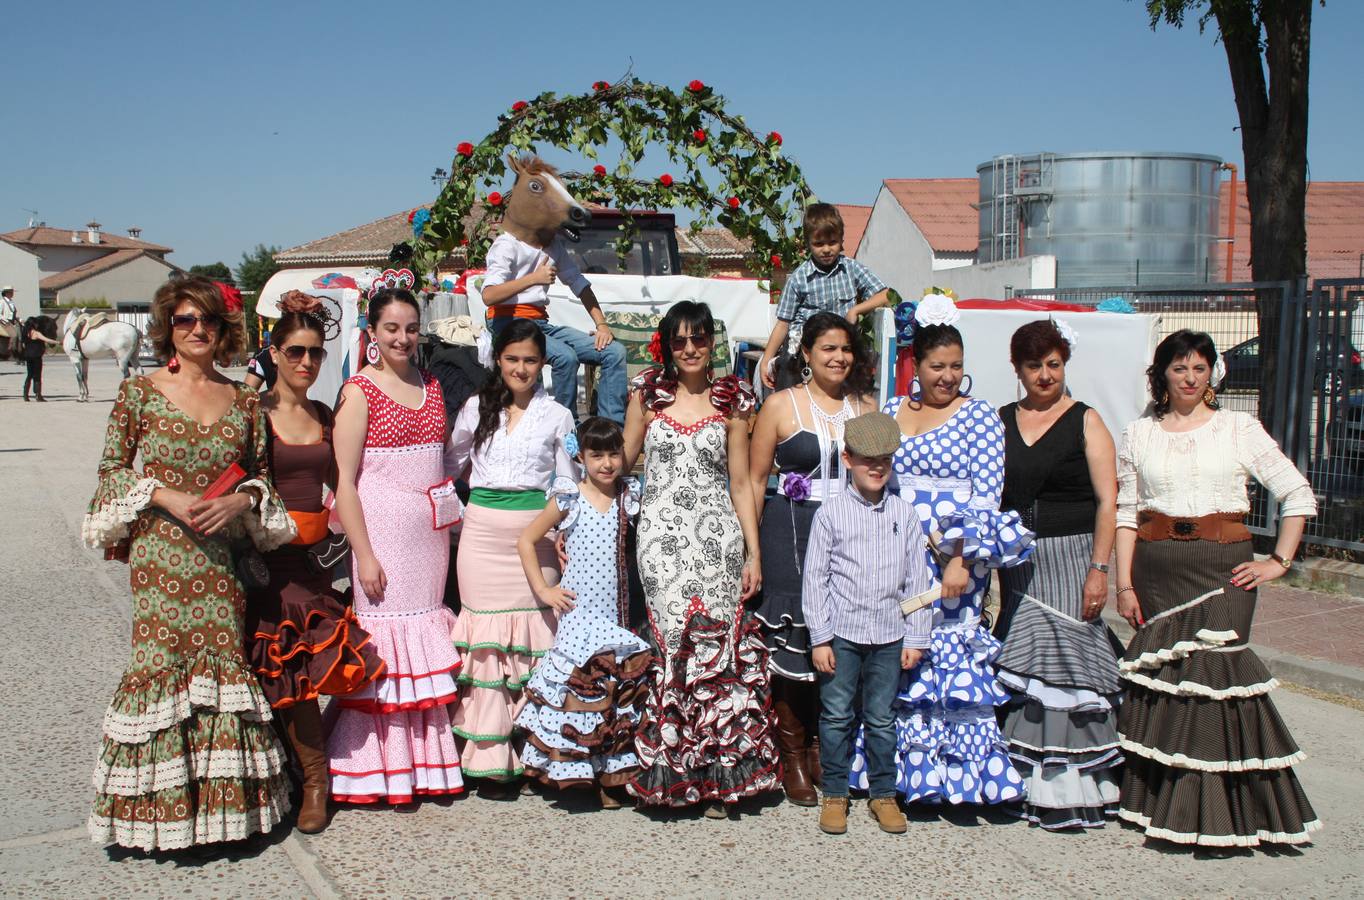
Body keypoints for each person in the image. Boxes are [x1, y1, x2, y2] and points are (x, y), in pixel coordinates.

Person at [82, 275, 296, 852]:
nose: (197, 330)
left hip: (219, 560)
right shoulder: (138, 396)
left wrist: (238, 499)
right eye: (184, 320)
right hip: (159, 557)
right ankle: (153, 814)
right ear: (167, 328)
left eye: (207, 320)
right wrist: (166, 495)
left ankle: (221, 815)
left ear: (223, 329)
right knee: (159, 665)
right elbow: (111, 472)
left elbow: (260, 476)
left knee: (220, 668)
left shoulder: (245, 399)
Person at [1115, 329, 1321, 848]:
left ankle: (1224, 814)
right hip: (1155, 571)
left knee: (1216, 686)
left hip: (1223, 569)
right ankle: (1158, 804)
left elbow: (1296, 493)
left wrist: (1279, 561)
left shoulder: (1238, 428)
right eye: (1179, 368)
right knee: (1168, 687)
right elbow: (1124, 513)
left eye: (1199, 368)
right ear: (1162, 374)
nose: (1189, 378)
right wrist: (1124, 583)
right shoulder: (1138, 433)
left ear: (1212, 375)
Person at [854, 293, 1032, 805]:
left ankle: (955, 776)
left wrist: (960, 560)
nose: (948, 376)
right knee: (899, 648)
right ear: (918, 365)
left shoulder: (978, 417)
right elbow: (875, 481)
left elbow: (985, 494)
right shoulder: (890, 410)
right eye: (938, 365)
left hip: (954, 558)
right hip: (895, 551)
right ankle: (895, 774)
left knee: (945, 653)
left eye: (956, 366)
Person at [623, 300, 779, 818]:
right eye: (679, 341)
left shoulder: (732, 402)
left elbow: (740, 482)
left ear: (713, 343)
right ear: (667, 346)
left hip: (718, 542)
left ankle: (719, 776)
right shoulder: (647, 397)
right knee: (672, 650)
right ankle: (675, 770)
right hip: (662, 542)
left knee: (717, 653)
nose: (689, 350)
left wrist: (753, 553)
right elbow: (621, 461)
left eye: (699, 339)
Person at [244, 297, 386, 833]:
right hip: (263, 561)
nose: (307, 363)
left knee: (300, 670)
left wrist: (369, 541)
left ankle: (314, 782)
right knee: (277, 669)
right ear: (275, 353)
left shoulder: (325, 416)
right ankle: (300, 778)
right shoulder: (252, 413)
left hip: (312, 564)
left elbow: (343, 486)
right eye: (296, 352)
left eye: (316, 354)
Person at [326, 288, 465, 806]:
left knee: (423, 641)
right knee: (387, 650)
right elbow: (344, 482)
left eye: (410, 328)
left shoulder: (432, 385)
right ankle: (376, 768)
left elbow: (445, 459)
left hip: (429, 540)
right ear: (374, 332)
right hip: (381, 538)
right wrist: (363, 554)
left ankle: (422, 765)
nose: (403, 338)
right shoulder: (359, 391)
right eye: (392, 329)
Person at [993, 319, 1123, 830]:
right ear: (1017, 369)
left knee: (1068, 671)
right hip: (1019, 563)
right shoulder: (1000, 419)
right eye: (1034, 365)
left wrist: (1099, 569)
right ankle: (1020, 782)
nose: (1045, 375)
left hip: (1073, 559)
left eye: (1054, 364)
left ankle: (1074, 787)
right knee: (1025, 667)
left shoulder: (1086, 420)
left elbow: (1110, 501)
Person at [747, 311, 874, 806]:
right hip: (790, 532)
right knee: (795, 640)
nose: (839, 357)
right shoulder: (780, 406)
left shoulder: (866, 407)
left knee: (840, 643)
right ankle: (793, 754)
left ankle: (826, 745)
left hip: (850, 534)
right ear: (806, 354)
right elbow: (757, 480)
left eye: (845, 349)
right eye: (828, 349)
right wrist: (751, 550)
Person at [447, 318, 576, 796]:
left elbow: (568, 481)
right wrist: (459, 511)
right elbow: (449, 462)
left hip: (535, 538)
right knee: (486, 642)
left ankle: (535, 754)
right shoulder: (476, 407)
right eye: (512, 359)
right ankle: (490, 760)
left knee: (534, 640)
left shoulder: (559, 415)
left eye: (530, 359)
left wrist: (558, 529)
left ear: (543, 363)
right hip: (480, 537)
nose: (521, 368)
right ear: (497, 361)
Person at [803, 412, 935, 836]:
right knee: (837, 715)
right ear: (848, 459)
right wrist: (820, 638)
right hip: (842, 634)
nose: (876, 468)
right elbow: (815, 580)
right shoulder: (831, 514)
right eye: (866, 459)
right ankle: (836, 795)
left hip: (890, 635)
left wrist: (917, 636)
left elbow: (918, 577)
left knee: (881, 719)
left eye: (885, 460)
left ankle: (883, 795)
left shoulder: (905, 514)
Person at [513, 417, 652, 808]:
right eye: (596, 455)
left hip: (615, 613)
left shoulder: (629, 496)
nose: (606, 464)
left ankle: (610, 772)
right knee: (579, 692)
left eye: (613, 454)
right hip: (579, 614)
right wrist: (545, 589)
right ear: (581, 457)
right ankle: (570, 770)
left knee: (612, 692)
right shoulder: (568, 496)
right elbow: (527, 539)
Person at [481, 155, 626, 423]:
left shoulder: (553, 247)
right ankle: (564, 429)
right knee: (565, 358)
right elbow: (489, 295)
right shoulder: (506, 245)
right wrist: (533, 278)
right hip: (508, 324)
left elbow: (580, 285)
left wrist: (602, 324)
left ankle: (610, 430)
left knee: (614, 352)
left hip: (540, 325)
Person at [758, 203, 890, 391]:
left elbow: (886, 295)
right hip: (804, 352)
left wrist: (856, 309)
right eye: (819, 244)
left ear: (841, 240)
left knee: (856, 389)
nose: (826, 249)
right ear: (808, 244)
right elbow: (783, 323)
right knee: (792, 394)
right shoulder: (799, 278)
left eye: (832, 242)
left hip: (840, 349)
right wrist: (766, 360)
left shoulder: (851, 269)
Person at [22, 316, 59, 401]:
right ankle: (38, 395)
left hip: (28, 356)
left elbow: (24, 345)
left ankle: (25, 395)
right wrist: (59, 342)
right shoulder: (36, 333)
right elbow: (47, 340)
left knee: (29, 375)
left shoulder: (25, 334)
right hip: (36, 356)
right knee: (37, 375)